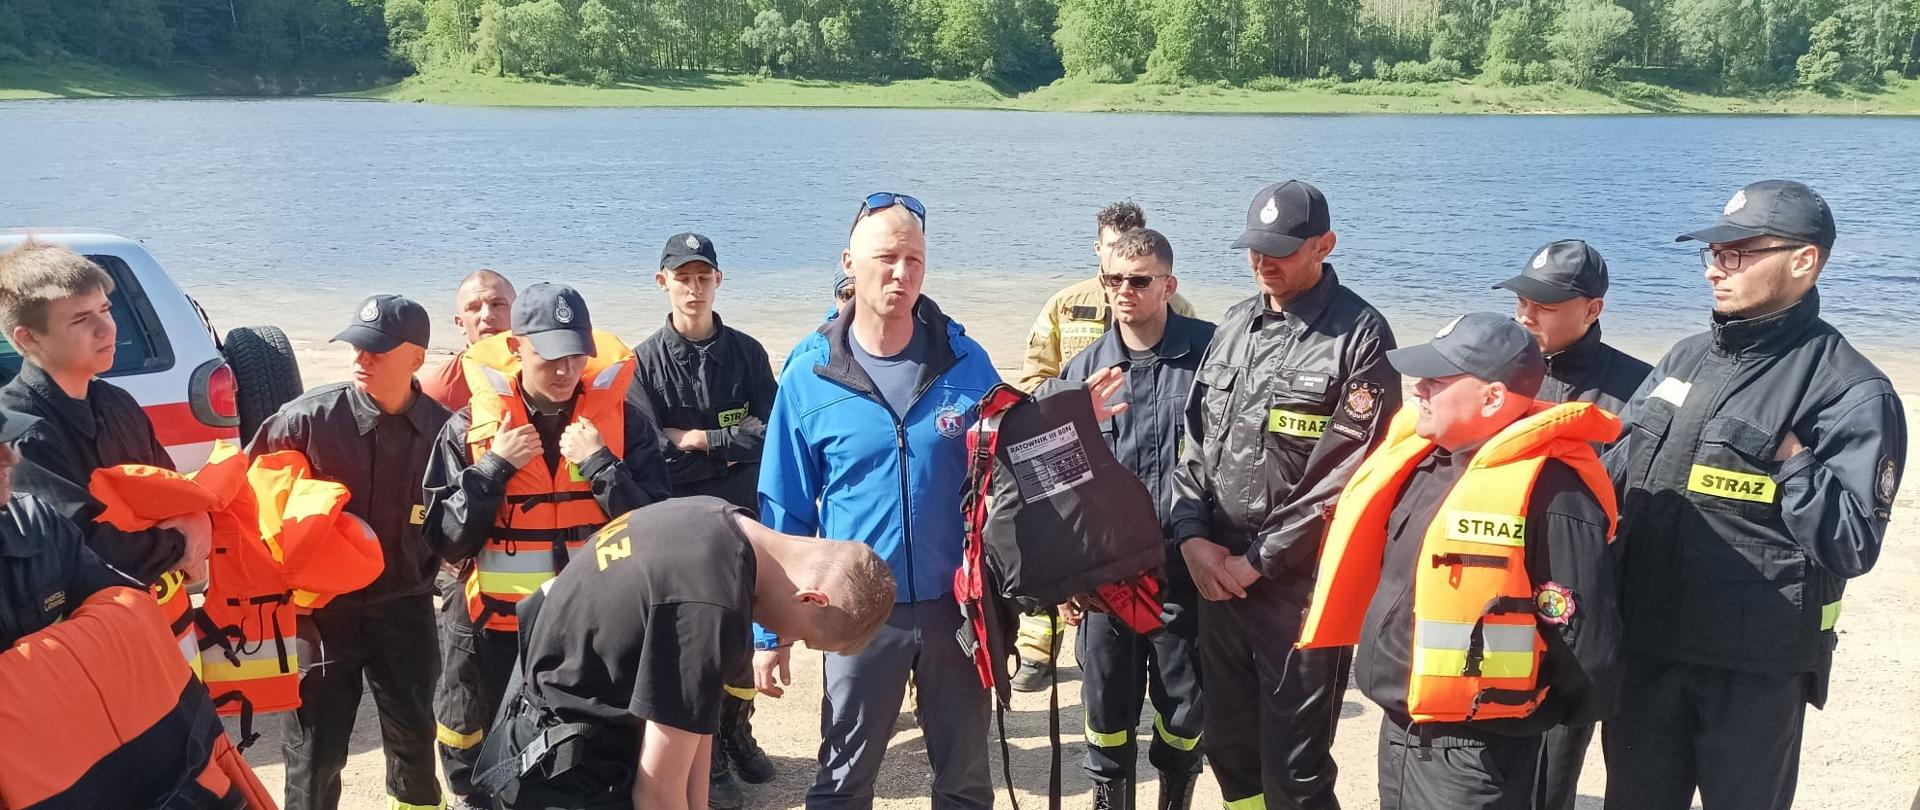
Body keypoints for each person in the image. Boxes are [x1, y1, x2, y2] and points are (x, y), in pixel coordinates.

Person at [1602, 180, 1906, 810]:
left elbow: (1852, 544)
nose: (1715, 267)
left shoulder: (1850, 390)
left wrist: (1793, 463)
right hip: (1646, 647)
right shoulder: (1684, 359)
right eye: (1713, 253)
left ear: (1802, 261)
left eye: (1737, 254)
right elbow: (1614, 475)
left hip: (1753, 668)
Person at [1297, 312, 1623, 810]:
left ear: (1492, 397)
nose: (1418, 389)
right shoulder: (1427, 463)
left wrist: (1529, 718)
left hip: (1479, 752)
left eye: (1437, 380)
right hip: (1403, 734)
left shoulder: (1554, 491)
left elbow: (1585, 643)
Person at [757, 192, 1005, 810]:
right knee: (842, 782)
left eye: (915, 260)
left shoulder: (966, 361)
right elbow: (784, 513)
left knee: (967, 782)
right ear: (849, 261)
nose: (902, 273)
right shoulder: (809, 374)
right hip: (857, 611)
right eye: (886, 257)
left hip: (956, 607)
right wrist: (770, 632)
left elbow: (1011, 471)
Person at [1168, 180, 1401, 810]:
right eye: (1253, 249)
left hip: (1298, 587)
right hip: (1218, 574)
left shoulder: (1361, 336)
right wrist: (1191, 537)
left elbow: (1348, 475)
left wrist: (1257, 560)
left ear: (1324, 244)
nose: (1262, 261)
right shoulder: (1236, 325)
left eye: (1281, 249)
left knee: (1295, 768)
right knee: (1230, 749)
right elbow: (1194, 444)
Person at [424, 282, 673, 810]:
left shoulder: (625, 427)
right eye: (550, 356)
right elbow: (443, 541)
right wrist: (491, 471)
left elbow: (659, 531)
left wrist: (604, 466)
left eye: (575, 354)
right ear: (517, 348)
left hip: (589, 634)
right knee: (480, 753)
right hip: (496, 632)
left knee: (592, 756)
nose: (564, 371)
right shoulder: (469, 430)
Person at [478, 497, 898, 810]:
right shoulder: (708, 604)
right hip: (565, 777)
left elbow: (691, 727)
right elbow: (658, 791)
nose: (786, 637)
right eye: (805, 638)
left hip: (552, 738)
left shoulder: (719, 523)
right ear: (811, 600)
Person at [247, 293, 453, 810]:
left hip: (406, 607)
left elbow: (464, 519)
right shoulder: (304, 421)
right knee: (315, 752)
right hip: (322, 616)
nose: (361, 359)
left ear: (416, 359)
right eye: (357, 347)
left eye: (377, 350)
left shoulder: (448, 431)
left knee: (413, 741)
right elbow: (245, 506)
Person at [1037, 228, 1214, 810]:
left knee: (1184, 711)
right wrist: (1065, 575)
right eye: (1113, 280)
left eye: (1139, 281)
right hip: (1107, 582)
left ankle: (1174, 799)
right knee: (1106, 709)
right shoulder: (1084, 372)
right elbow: (1058, 485)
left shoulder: (1211, 357)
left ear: (1169, 284)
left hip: (1183, 572)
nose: (1124, 292)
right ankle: (1109, 800)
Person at [1010, 201, 1196, 690]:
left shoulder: (1189, 327)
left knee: (1181, 695)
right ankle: (1036, 651)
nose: (1123, 286)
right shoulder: (1064, 305)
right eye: (1113, 268)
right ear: (1098, 251)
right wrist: (1065, 404)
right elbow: (1036, 383)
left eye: (1137, 276)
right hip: (1097, 466)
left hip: (1169, 526)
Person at [1493, 240, 1651, 810]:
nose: (1526, 313)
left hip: (1573, 614)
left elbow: (1635, 514)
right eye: (1522, 299)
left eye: (1546, 303)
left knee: (1551, 775)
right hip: (1494, 598)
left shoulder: (1638, 393)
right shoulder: (1497, 374)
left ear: (1593, 309)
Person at [631, 232, 780, 805]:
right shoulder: (643, 361)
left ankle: (737, 732)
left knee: (742, 627)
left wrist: (700, 438)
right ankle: (709, 752)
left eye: (704, 276)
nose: (694, 288)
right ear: (662, 282)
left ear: (720, 281)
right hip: (680, 519)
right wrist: (723, 444)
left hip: (742, 513)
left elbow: (768, 436)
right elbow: (652, 451)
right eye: (683, 277)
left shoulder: (746, 352)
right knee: (694, 637)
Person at [0, 241, 210, 589]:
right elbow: (80, 546)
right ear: (28, 338)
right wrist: (183, 544)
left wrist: (199, 519)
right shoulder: (20, 431)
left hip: (164, 617)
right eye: (81, 319)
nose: (107, 329)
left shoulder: (117, 403)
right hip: (94, 629)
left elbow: (172, 493)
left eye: (106, 309)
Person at [1496, 239, 1652, 418]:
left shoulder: (1640, 387)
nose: (1526, 317)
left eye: (1544, 307)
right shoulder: (1488, 363)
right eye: (1522, 301)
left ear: (1591, 310)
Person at [422, 269, 518, 411]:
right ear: (461, 324)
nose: (487, 315)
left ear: (518, 313)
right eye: (473, 308)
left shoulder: (545, 372)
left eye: (497, 304)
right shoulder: (438, 391)